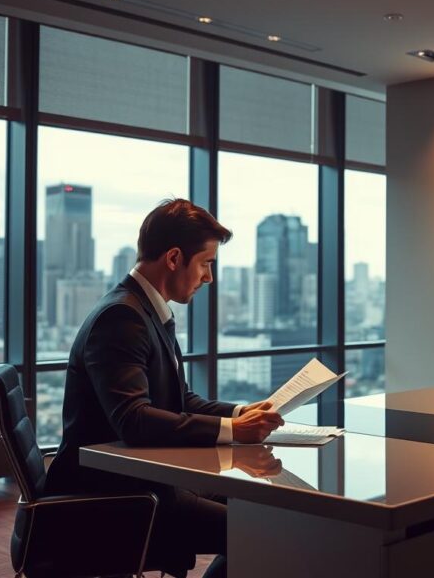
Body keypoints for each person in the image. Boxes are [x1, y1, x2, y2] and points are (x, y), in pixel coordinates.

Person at [45, 198, 284, 578]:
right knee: (263, 529)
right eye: (206, 264)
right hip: (118, 497)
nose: (209, 277)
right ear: (174, 258)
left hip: (146, 483)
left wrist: (239, 414)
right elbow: (133, 420)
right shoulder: (122, 316)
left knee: (263, 508)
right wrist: (233, 432)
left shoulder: (146, 310)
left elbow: (179, 399)